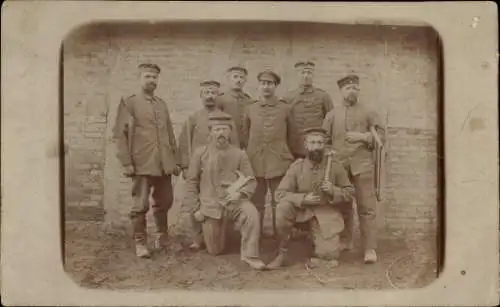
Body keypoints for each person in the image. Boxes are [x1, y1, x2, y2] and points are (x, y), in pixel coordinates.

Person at [112, 63, 182, 258]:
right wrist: (126, 162)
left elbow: (169, 133)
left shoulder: (161, 104)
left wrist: (174, 160)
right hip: (141, 162)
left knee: (165, 201)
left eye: (154, 77)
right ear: (140, 78)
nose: (151, 80)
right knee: (140, 205)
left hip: (163, 164)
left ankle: (162, 237)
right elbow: (119, 134)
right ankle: (140, 242)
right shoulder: (129, 103)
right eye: (147, 76)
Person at [183, 113, 266, 270]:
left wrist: (240, 194)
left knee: (251, 213)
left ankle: (250, 255)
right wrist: (195, 209)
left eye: (224, 129)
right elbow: (191, 182)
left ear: (230, 132)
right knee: (215, 250)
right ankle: (216, 233)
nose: (220, 133)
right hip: (210, 207)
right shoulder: (200, 154)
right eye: (216, 129)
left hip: (234, 202)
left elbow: (251, 180)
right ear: (211, 132)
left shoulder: (239, 154)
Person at [266, 127, 354, 269]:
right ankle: (283, 252)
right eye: (312, 143)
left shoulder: (335, 166)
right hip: (302, 212)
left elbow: (350, 192)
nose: (316, 147)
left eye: (320, 143)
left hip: (325, 214)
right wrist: (303, 199)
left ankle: (313, 242)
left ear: (324, 145)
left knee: (328, 255)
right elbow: (280, 194)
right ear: (306, 145)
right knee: (283, 207)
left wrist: (334, 191)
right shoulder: (297, 167)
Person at [322, 74, 385, 264]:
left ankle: (370, 248)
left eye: (355, 88)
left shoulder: (369, 112)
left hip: (363, 166)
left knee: (366, 208)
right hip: (341, 168)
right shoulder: (332, 114)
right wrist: (329, 153)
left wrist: (363, 137)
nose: (352, 91)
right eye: (348, 88)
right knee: (343, 206)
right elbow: (323, 139)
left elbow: (381, 137)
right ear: (341, 91)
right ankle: (346, 241)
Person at [177, 80, 239, 250]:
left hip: (220, 169)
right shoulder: (194, 118)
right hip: (199, 167)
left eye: (213, 93)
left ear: (218, 96)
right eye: (206, 93)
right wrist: (185, 166)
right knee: (193, 199)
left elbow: (235, 145)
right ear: (201, 95)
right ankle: (197, 238)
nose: (210, 96)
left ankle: (221, 236)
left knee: (221, 200)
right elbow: (184, 143)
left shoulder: (226, 118)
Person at [243, 69, 294, 235]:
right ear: (258, 86)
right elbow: (245, 134)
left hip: (278, 161)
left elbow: (292, 136)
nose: (266, 87)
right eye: (263, 83)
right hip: (255, 161)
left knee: (278, 201)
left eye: (270, 83)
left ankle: (280, 237)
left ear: (276, 86)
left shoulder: (285, 109)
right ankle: (256, 236)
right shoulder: (250, 109)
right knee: (256, 201)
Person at [282, 61, 334, 159]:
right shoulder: (288, 97)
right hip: (296, 146)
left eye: (309, 73)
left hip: (317, 145)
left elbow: (331, 121)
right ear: (297, 74)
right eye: (302, 73)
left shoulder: (323, 96)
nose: (306, 76)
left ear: (313, 75)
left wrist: (328, 144)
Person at [216, 66, 254, 149]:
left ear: (245, 81)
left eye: (241, 77)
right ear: (229, 79)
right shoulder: (221, 99)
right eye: (235, 77)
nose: (238, 80)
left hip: (245, 144)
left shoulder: (249, 101)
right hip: (227, 142)